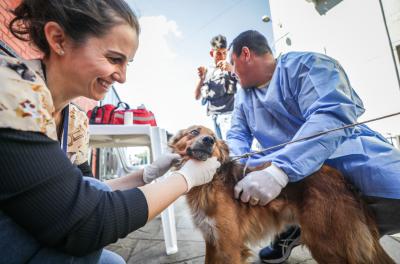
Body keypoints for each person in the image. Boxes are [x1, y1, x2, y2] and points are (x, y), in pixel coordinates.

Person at [0, 1, 220, 263]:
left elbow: (87, 191)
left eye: (128, 63)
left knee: (114, 261)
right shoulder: (12, 90)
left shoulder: (76, 122)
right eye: (114, 59)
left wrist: (145, 175)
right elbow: (86, 223)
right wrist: (185, 179)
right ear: (58, 39)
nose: (123, 77)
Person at [226, 30, 400, 263]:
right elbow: (237, 134)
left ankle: (294, 227)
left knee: (391, 195)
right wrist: (237, 165)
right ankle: (292, 226)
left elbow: (331, 114)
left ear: (245, 53)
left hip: (346, 156)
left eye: (231, 63)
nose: (231, 72)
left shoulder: (308, 65)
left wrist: (281, 170)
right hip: (293, 185)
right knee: (342, 243)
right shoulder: (242, 98)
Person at [194, 34, 238, 139]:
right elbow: (196, 96)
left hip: (229, 115)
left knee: (231, 148)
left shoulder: (231, 67)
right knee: (221, 152)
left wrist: (232, 69)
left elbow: (247, 82)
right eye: (218, 53)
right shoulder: (206, 71)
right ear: (211, 53)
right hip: (213, 117)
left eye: (224, 53)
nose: (222, 57)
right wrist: (201, 79)